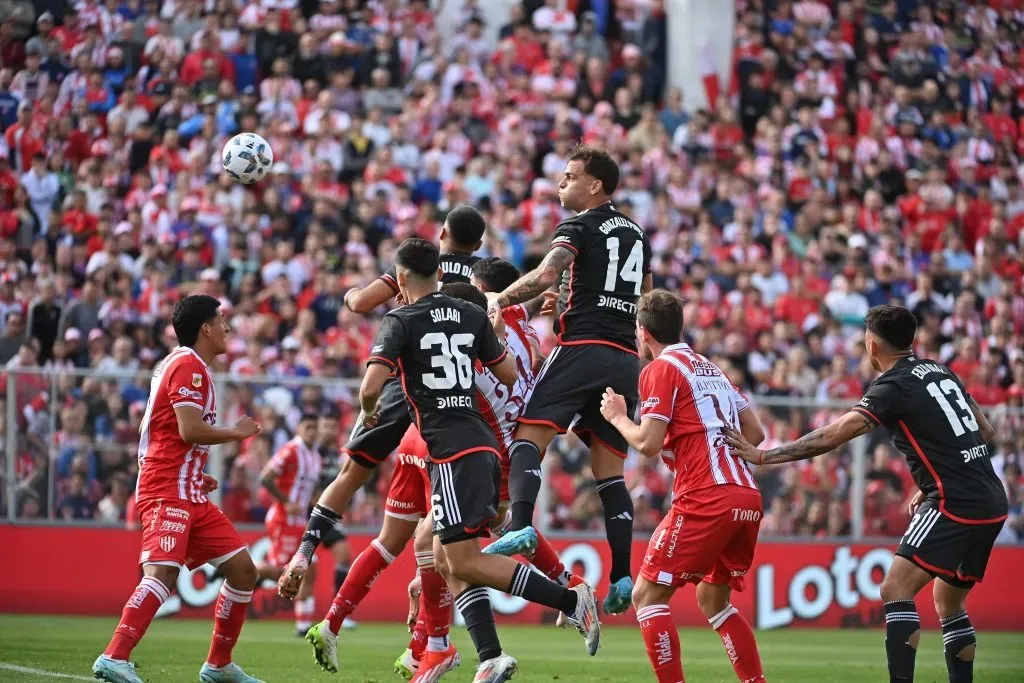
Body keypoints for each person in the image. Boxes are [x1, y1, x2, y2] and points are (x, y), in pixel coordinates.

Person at [309, 239, 600, 683]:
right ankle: (476, 653)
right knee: (439, 551)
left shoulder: (401, 320)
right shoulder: (475, 317)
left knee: (459, 559)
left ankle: (567, 600)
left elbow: (370, 387)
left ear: (400, 278)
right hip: (485, 446)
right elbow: (508, 371)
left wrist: (371, 411)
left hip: (452, 450)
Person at [725, 304, 1007, 683]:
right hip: (990, 497)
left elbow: (832, 434)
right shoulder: (943, 371)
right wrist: (935, 479)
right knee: (949, 601)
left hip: (957, 502)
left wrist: (764, 455)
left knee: (895, 587)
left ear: (872, 345)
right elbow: (985, 432)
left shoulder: (891, 386)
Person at [276, 206, 487, 600]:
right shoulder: (483, 272)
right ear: (478, 243)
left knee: (349, 476)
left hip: (399, 385)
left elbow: (359, 304)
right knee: (440, 512)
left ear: (442, 233)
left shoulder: (420, 266)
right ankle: (431, 622)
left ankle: (304, 553)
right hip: (456, 397)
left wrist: (351, 291)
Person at [483, 144, 653, 614]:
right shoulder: (638, 234)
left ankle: (520, 524)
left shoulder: (579, 225)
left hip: (581, 348)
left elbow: (545, 273)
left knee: (527, 436)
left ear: (594, 184)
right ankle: (622, 577)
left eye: (569, 176)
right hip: (624, 359)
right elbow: (648, 298)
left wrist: (498, 299)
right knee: (609, 472)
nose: (561, 183)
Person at [92, 295, 264, 683]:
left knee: (242, 570)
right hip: (167, 488)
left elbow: (162, 432)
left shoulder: (183, 364)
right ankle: (114, 656)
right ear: (205, 328)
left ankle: (218, 665)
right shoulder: (189, 366)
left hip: (186, 486)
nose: (227, 327)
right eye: (221, 320)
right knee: (162, 574)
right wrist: (235, 434)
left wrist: (195, 471)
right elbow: (188, 429)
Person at [599, 290, 767, 683]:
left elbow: (648, 442)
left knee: (646, 596)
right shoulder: (712, 367)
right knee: (713, 599)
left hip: (706, 495)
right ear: (682, 327)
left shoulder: (660, 369)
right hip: (746, 494)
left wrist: (618, 417)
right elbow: (756, 433)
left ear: (643, 333)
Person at [257, 413, 322, 637]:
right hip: (282, 519)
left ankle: (303, 625)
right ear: (299, 428)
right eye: (308, 426)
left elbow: (310, 489)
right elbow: (265, 477)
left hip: (302, 521)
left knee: (310, 569)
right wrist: (286, 501)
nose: (312, 431)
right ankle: (245, 569)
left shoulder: (315, 455)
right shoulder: (291, 450)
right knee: (281, 570)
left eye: (315, 427)